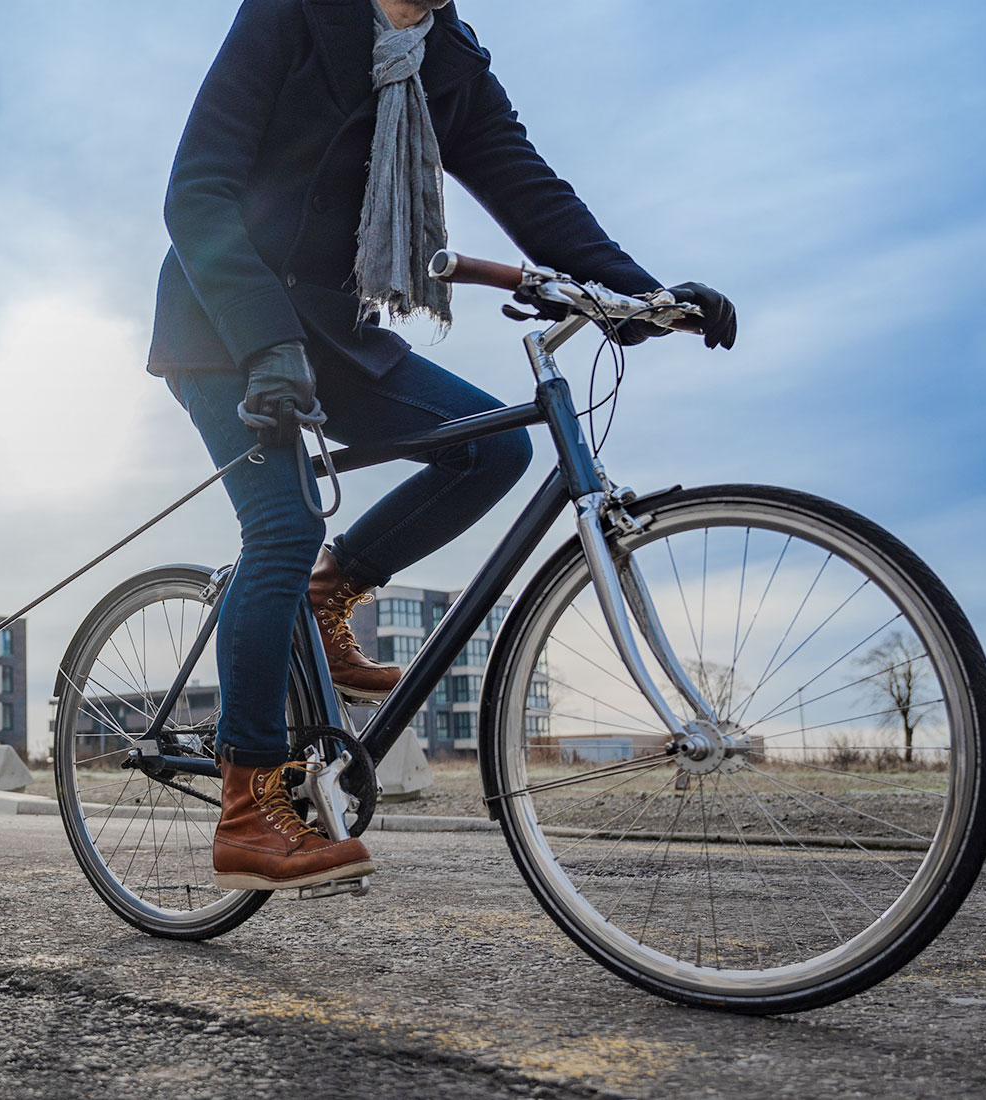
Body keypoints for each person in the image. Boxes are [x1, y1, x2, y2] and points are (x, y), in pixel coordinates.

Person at [149, 0, 739, 891]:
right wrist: (265, 343)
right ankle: (247, 810)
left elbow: (529, 188)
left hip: (336, 331)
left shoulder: (449, 61)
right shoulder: (292, 11)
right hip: (228, 323)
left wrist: (643, 295)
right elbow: (197, 189)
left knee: (491, 449)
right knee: (280, 525)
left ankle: (327, 593)